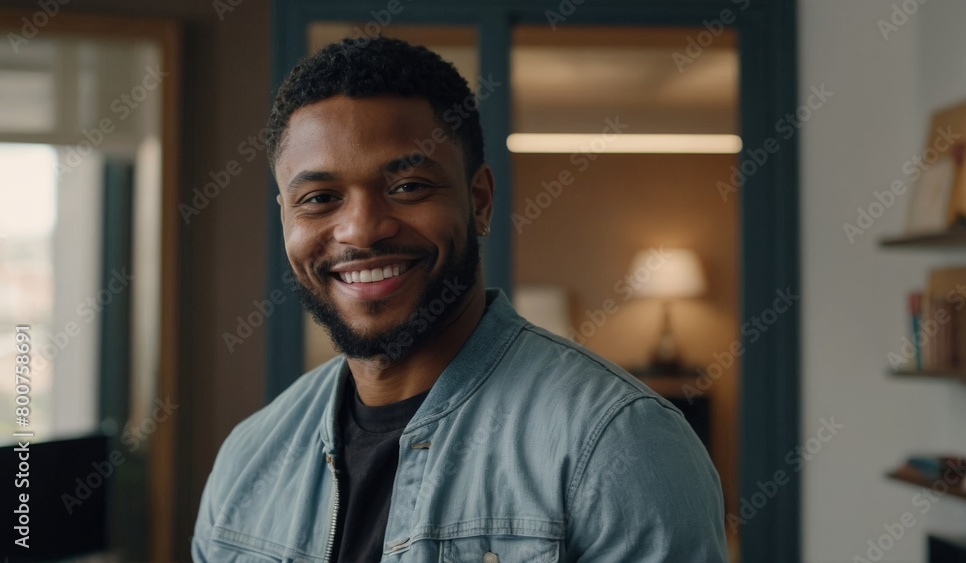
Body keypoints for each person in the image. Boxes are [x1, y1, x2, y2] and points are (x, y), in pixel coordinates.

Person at [193, 36, 727, 562]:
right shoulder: (247, 461)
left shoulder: (619, 445)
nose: (361, 230)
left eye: (407, 187)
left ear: (480, 202)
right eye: (320, 198)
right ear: (285, 217)